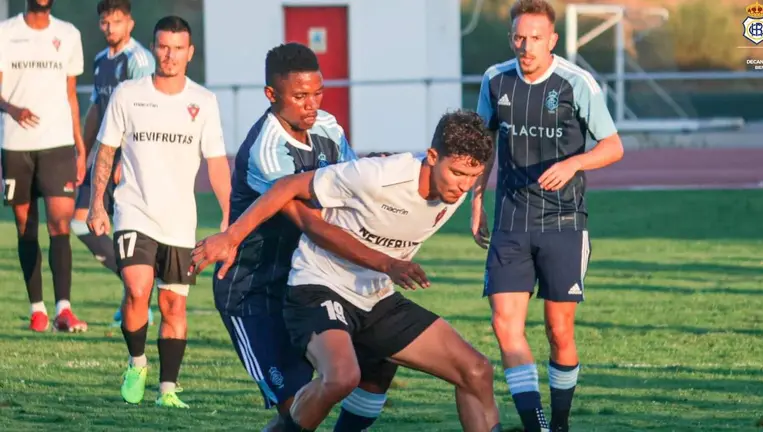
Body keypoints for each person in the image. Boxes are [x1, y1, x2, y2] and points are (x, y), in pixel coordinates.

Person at [192, 110, 502, 432]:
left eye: (473, 176)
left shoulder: (454, 191)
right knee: (342, 376)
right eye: (456, 173)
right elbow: (287, 186)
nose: (463, 186)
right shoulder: (380, 175)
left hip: (376, 296)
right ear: (432, 156)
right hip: (319, 286)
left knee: (477, 370)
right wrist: (231, 236)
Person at [198, 42, 413, 432]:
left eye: (317, 93)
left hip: (309, 280)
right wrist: (384, 261)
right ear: (271, 95)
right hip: (255, 290)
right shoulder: (267, 151)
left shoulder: (327, 125)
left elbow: (352, 184)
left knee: (379, 363)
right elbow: (315, 222)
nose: (311, 104)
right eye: (299, 97)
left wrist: (376, 169)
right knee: (298, 409)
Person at [472, 1, 625, 430]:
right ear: (511, 39)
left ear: (552, 40)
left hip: (563, 223)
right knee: (505, 326)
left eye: (536, 38)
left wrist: (574, 163)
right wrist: (477, 202)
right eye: (520, 37)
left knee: (559, 331)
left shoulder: (577, 83)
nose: (526, 46)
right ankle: (536, 423)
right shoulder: (495, 80)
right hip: (511, 221)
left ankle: (559, 422)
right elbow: (483, 147)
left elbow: (613, 147)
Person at [87, 16, 231, 409]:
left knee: (173, 305)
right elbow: (106, 150)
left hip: (180, 221)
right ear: (154, 48)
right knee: (136, 289)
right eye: (163, 47)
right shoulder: (128, 94)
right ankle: (137, 362)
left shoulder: (204, 102)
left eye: (177, 48)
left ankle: (168, 389)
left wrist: (227, 217)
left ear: (190, 52)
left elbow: (216, 163)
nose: (169, 55)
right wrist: (98, 201)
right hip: (133, 211)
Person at [0, 0, 87, 332]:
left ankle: (63, 309)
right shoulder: (5, 33)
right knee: (25, 225)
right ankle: (37, 308)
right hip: (16, 145)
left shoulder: (68, 34)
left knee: (60, 223)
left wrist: (79, 142)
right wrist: (11, 108)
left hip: (58, 143)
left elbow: (71, 94)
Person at [70, 0, 156, 327]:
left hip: (128, 159)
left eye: (117, 22)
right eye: (105, 22)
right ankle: (135, 289)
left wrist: (128, 158)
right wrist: (84, 153)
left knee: (126, 231)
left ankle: (138, 301)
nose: (110, 28)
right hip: (103, 159)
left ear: (129, 24)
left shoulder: (138, 61)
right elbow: (96, 109)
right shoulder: (100, 61)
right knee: (83, 223)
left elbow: (145, 113)